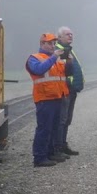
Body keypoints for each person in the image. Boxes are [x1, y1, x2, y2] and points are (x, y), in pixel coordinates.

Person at [26, 33, 70, 168]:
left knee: (54, 128)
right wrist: (54, 57)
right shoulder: (34, 58)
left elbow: (67, 73)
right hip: (44, 99)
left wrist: (70, 61)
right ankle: (39, 158)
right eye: (49, 43)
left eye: (53, 43)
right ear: (42, 44)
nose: (52, 46)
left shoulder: (55, 59)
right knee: (44, 128)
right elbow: (39, 70)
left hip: (57, 97)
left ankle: (50, 153)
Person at [55, 25, 83, 156]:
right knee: (62, 119)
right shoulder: (59, 51)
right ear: (59, 37)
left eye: (71, 34)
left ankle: (63, 144)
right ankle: (58, 147)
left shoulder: (69, 50)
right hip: (64, 90)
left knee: (67, 119)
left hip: (71, 90)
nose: (70, 36)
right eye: (67, 34)